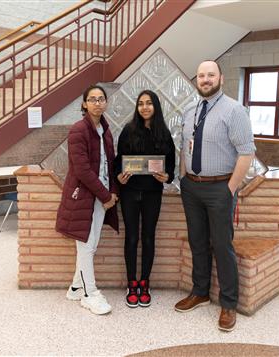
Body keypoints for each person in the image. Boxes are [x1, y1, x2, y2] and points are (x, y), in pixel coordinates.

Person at [174, 61, 256, 331]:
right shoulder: (191, 110)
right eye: (201, 75)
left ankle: (228, 304)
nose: (206, 79)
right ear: (196, 80)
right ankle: (200, 292)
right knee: (198, 242)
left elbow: (246, 153)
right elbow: (186, 147)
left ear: (221, 77)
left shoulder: (234, 110)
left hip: (220, 188)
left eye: (211, 75)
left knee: (222, 246)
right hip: (192, 187)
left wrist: (229, 188)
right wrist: (184, 178)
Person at [56, 84, 119, 315]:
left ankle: (74, 287)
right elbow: (81, 170)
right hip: (83, 197)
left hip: (101, 197)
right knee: (85, 245)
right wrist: (105, 195)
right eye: (92, 99)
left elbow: (110, 165)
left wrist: (113, 192)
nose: (97, 103)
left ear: (106, 102)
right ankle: (88, 293)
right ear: (84, 104)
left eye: (101, 99)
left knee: (89, 245)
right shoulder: (78, 130)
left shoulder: (106, 129)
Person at [114, 90, 175, 308]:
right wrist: (119, 177)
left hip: (152, 194)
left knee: (148, 237)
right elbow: (118, 161)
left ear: (156, 106)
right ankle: (132, 284)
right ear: (137, 107)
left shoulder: (165, 134)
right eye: (141, 103)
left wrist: (166, 176)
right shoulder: (128, 131)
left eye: (149, 103)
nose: (145, 107)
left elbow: (171, 167)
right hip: (130, 193)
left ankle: (145, 283)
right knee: (131, 238)